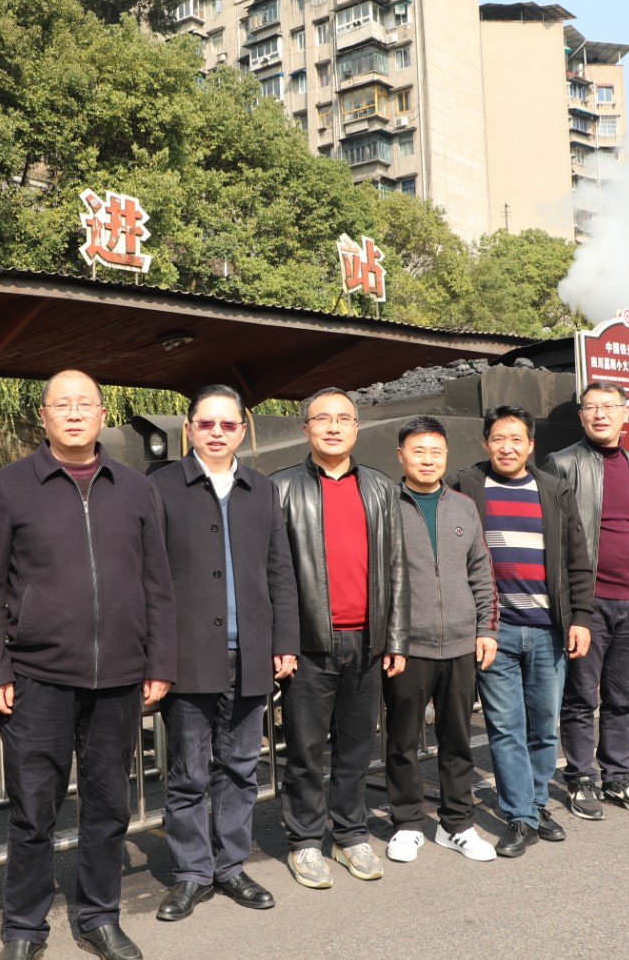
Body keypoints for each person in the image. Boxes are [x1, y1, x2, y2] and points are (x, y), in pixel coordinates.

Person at [0, 370, 177, 960]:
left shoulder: (136, 488)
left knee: (108, 806)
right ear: (44, 416)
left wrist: (160, 660)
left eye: (86, 404)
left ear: (103, 413)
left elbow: (158, 584)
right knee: (32, 810)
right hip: (37, 678)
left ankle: (99, 916)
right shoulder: (9, 487)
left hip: (119, 678)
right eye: (63, 404)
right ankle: (23, 927)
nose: (75, 413)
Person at [150, 385, 299, 922]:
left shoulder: (262, 488)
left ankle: (231, 865)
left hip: (250, 651)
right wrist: (155, 658)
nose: (217, 432)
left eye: (228, 424)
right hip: (188, 655)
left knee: (239, 768)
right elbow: (150, 577)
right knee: (188, 773)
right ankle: (192, 872)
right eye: (206, 423)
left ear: (242, 430)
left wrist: (285, 642)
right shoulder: (161, 486)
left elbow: (280, 570)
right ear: (189, 427)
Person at [271, 387, 408, 888]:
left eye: (343, 419)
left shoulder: (380, 488)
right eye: (322, 418)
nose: (333, 427)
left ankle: (350, 834)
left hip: (368, 642)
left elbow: (397, 567)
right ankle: (305, 842)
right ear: (305, 428)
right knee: (305, 751)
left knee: (355, 749)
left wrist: (395, 638)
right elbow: (271, 573)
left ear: (356, 427)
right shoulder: (280, 488)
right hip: (309, 644)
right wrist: (281, 641)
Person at [446, 405, 592, 858]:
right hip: (495, 632)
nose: (506, 448)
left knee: (544, 727)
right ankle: (521, 817)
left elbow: (577, 558)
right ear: (485, 443)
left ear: (531, 445)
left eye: (516, 440)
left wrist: (581, 618)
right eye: (498, 439)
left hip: (549, 630)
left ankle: (535, 803)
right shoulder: (467, 486)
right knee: (506, 727)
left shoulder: (554, 489)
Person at [382, 416, 500, 865]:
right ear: (401, 455)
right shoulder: (385, 506)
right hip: (407, 646)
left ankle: (457, 824)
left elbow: (481, 572)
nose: (427, 460)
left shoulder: (464, 507)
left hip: (461, 644)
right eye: (418, 451)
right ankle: (408, 824)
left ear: (446, 455)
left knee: (458, 740)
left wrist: (486, 629)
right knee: (402, 741)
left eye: (436, 451)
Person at [547, 383, 629, 819]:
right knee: (581, 697)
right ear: (581, 415)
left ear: (624, 414)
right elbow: (555, 537)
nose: (600, 414)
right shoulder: (561, 464)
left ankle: (617, 777)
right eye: (591, 407)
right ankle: (580, 778)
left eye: (609, 407)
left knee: (622, 697)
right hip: (588, 601)